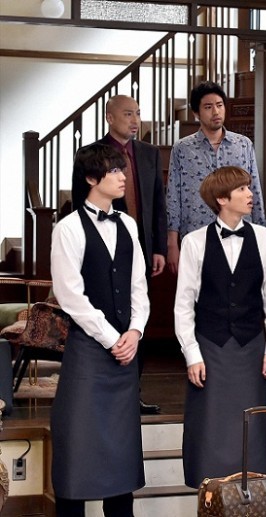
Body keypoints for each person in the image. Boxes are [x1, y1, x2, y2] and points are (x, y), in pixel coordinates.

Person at [51, 143, 149, 516]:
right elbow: (70, 296)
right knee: (77, 449)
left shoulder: (128, 224)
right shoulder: (68, 228)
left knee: (121, 457)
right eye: (114, 170)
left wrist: (135, 332)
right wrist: (112, 338)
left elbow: (138, 286)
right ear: (92, 178)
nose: (123, 177)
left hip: (125, 355)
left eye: (122, 169)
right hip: (89, 353)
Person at [173, 166, 266, 488]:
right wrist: (192, 354)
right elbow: (184, 304)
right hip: (210, 348)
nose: (250, 194)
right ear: (222, 199)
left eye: (248, 188)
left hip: (252, 347)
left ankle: (254, 496)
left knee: (253, 425)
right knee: (211, 427)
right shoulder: (194, 242)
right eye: (242, 189)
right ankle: (212, 498)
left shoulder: (264, 238)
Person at [73, 94, 167, 414]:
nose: (135, 120)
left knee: (137, 316)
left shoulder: (149, 153)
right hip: (105, 247)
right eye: (128, 114)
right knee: (107, 316)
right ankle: (102, 389)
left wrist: (159, 248)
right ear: (110, 117)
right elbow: (81, 202)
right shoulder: (92, 154)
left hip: (142, 248)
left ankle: (132, 391)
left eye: (138, 113)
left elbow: (158, 204)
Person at [166, 81, 266, 274]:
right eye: (208, 107)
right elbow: (173, 196)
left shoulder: (243, 144)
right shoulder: (182, 149)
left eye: (219, 105)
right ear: (196, 113)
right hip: (197, 235)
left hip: (240, 234)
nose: (216, 111)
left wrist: (260, 232)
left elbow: (254, 189)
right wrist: (172, 243)